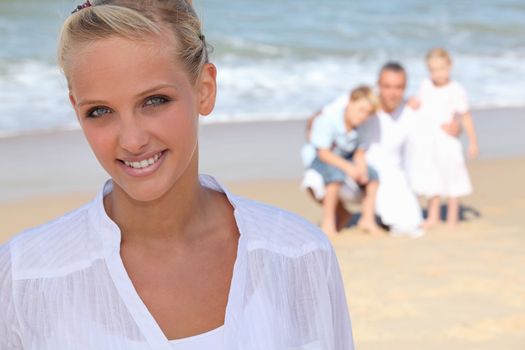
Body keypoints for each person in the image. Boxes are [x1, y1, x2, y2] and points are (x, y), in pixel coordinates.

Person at [0, 1, 354, 349]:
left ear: (204, 89)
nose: (132, 140)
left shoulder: (299, 253)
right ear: (76, 111)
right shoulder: (26, 275)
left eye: (154, 101)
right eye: (100, 111)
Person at [408, 48, 479, 229]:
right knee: (433, 178)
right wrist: (413, 103)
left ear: (450, 67)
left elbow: (465, 115)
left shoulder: (456, 90)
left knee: (452, 178)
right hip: (428, 141)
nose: (437, 74)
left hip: (447, 141)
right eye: (433, 70)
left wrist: (472, 141)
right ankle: (433, 216)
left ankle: (452, 218)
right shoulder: (426, 85)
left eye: (441, 69)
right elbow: (418, 105)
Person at [302, 86, 382, 237]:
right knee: (335, 175)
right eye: (360, 110)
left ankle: (368, 219)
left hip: (346, 159)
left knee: (373, 176)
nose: (363, 116)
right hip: (321, 158)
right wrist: (348, 168)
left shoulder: (362, 127)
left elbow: (359, 152)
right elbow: (323, 153)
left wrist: (361, 169)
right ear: (350, 102)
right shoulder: (327, 120)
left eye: (368, 113)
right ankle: (328, 222)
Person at [358, 62, 425, 237]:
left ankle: (378, 216)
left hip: (394, 176)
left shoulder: (410, 111)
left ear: (405, 87)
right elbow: (334, 118)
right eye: (387, 86)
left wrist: (457, 127)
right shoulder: (366, 107)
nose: (393, 93)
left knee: (411, 224)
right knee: (316, 180)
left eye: (399, 87)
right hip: (361, 173)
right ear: (378, 85)